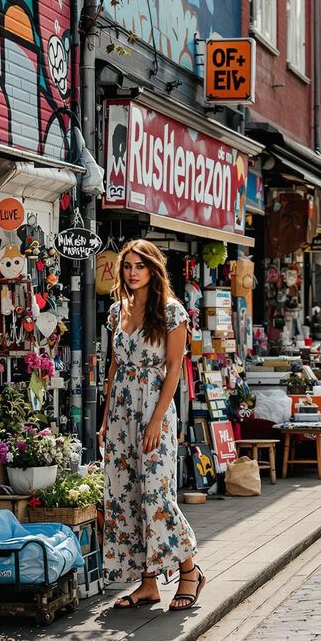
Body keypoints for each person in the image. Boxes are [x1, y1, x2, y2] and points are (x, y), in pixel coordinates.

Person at [99, 239, 204, 611]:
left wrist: (157, 419)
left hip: (153, 410)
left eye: (139, 266)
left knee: (156, 497)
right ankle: (148, 584)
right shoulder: (116, 311)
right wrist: (104, 418)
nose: (131, 272)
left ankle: (189, 571)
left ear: (153, 269)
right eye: (127, 266)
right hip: (120, 414)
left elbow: (174, 368)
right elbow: (113, 367)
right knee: (126, 495)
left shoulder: (172, 312)